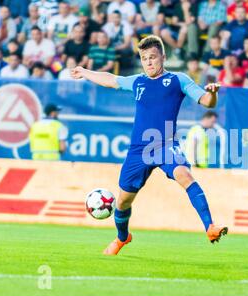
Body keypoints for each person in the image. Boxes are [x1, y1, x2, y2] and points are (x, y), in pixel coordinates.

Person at [70, 35, 228, 255]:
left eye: (153, 57)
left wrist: (213, 93)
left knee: (185, 174)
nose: (149, 62)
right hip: (139, 151)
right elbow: (111, 79)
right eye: (144, 58)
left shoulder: (178, 80)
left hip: (166, 145)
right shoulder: (138, 82)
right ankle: (122, 238)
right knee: (123, 201)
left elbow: (205, 100)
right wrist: (85, 72)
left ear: (163, 57)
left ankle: (210, 226)